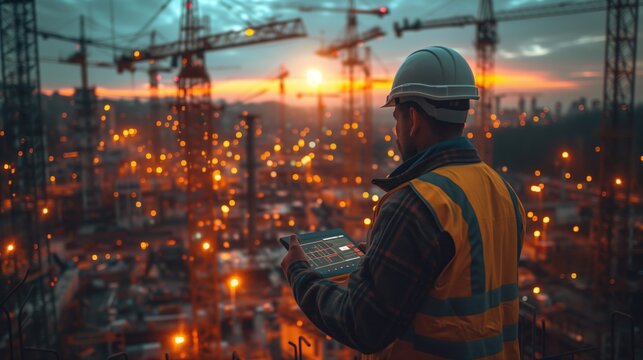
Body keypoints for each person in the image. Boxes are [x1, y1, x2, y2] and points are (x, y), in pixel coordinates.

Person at [280, 46, 525, 359]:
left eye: (395, 117)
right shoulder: (503, 191)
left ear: (412, 118)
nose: (396, 132)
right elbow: (456, 281)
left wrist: (300, 272)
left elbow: (362, 325)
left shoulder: (415, 204)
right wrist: (381, 257)